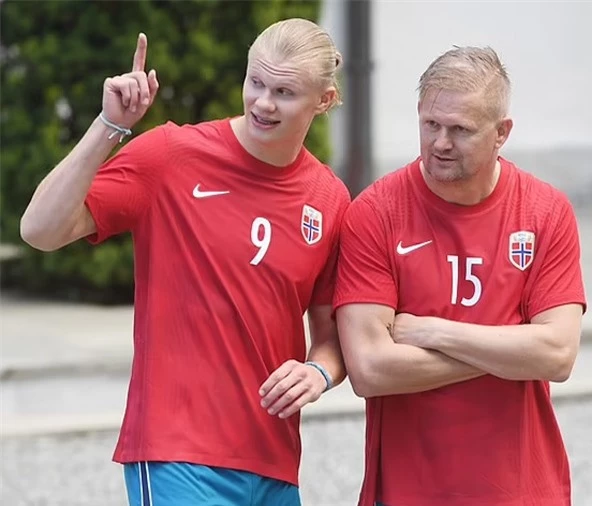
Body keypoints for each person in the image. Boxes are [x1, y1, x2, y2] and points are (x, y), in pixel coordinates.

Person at [20, 18, 349, 506]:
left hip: (274, 460)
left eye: (284, 91)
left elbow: (331, 339)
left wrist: (319, 373)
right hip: (176, 450)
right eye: (255, 81)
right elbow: (40, 231)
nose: (262, 102)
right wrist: (109, 127)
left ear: (323, 100)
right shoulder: (171, 155)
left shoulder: (330, 198)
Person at [334, 46, 586, 506]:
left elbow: (557, 354)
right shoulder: (374, 213)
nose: (440, 142)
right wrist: (512, 349)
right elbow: (370, 369)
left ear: (501, 133)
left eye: (460, 130)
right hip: (409, 492)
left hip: (523, 492)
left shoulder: (545, 211)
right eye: (430, 124)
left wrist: (435, 331)